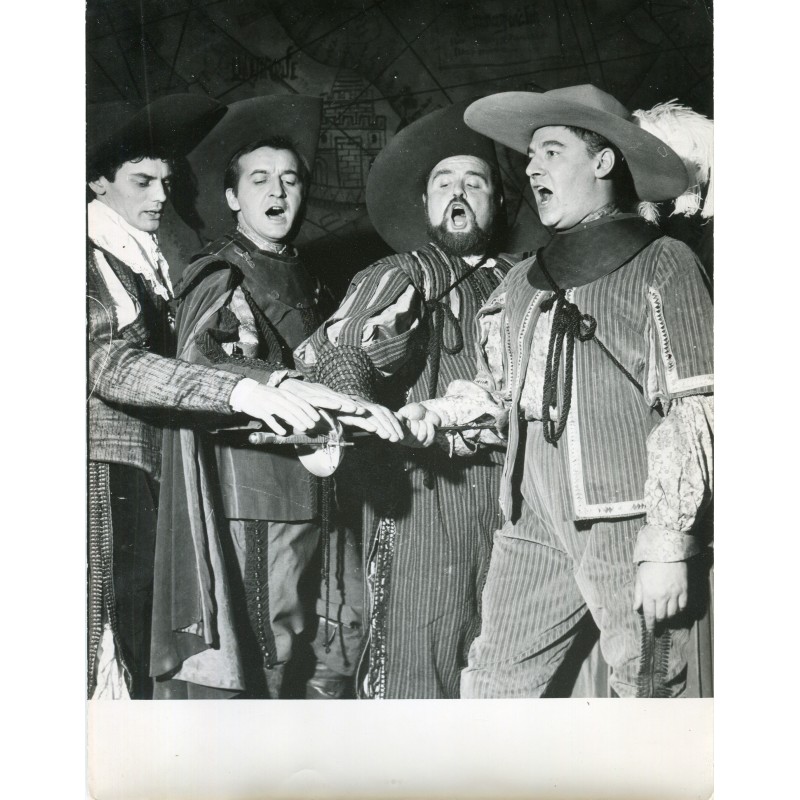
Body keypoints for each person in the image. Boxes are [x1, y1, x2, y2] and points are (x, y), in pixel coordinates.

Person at [401, 85, 713, 698]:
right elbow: (502, 393)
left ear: (603, 163)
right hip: (532, 518)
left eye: (550, 150)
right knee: (491, 682)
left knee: (646, 685)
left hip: (626, 520)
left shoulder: (663, 262)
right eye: (529, 155)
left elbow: (696, 404)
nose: (530, 167)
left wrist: (667, 542)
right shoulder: (521, 279)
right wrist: (435, 415)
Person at [87, 95, 360, 700]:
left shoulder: (150, 260)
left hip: (174, 472)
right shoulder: (102, 259)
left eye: (166, 180)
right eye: (142, 181)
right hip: (112, 473)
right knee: (118, 644)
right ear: (98, 183)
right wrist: (249, 385)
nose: (160, 195)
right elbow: (112, 363)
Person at [148, 96, 397, 699]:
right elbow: (202, 362)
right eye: (259, 180)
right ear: (233, 198)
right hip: (256, 485)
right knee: (264, 641)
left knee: (322, 639)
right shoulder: (220, 272)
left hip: (319, 484)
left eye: (290, 179)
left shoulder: (306, 273)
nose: (278, 191)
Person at [294, 102, 523, 699]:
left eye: (474, 182)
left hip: (517, 501)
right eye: (443, 182)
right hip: (425, 500)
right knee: (419, 668)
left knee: (505, 672)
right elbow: (331, 355)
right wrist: (364, 379)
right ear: (424, 204)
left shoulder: (525, 280)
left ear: (498, 202)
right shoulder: (402, 273)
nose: (458, 192)